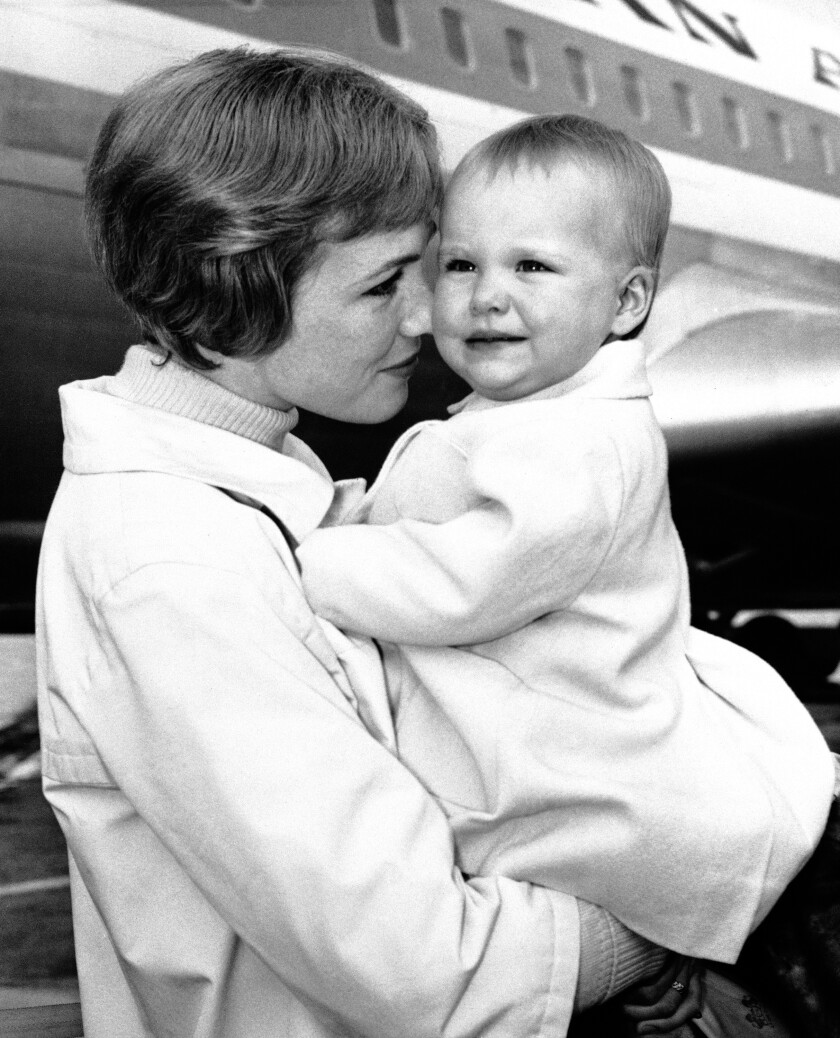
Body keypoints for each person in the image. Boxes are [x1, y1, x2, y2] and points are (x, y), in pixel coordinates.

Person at [35, 51, 699, 1038]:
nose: (434, 316)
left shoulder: (244, 495)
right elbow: (430, 970)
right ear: (239, 279)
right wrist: (667, 918)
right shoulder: (173, 564)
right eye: (388, 282)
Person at [297, 115, 836, 969]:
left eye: (532, 267)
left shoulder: (581, 442)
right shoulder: (528, 420)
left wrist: (310, 559)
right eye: (460, 264)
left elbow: (469, 582)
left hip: (577, 784)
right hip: (533, 747)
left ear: (626, 303)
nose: (486, 295)